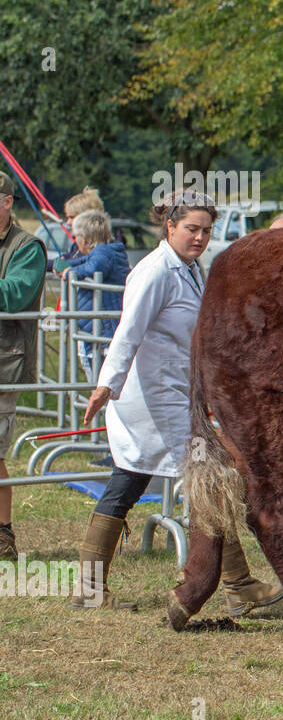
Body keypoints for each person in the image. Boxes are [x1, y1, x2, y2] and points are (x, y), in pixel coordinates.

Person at [75, 188, 283, 614]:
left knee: (131, 480)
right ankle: (237, 585)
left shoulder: (190, 268)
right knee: (210, 476)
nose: (200, 238)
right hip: (152, 396)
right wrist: (105, 385)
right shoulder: (154, 272)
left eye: (207, 230)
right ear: (170, 226)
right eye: (191, 228)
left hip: (175, 392)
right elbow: (128, 332)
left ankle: (89, 588)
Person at [0, 171, 49, 563]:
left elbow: (15, 296)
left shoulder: (27, 247)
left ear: (6, 202)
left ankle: (3, 535)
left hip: (4, 364)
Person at [57, 209, 128, 385]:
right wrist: (64, 265)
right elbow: (83, 262)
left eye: (75, 238)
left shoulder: (103, 254)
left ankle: (103, 413)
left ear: (85, 238)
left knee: (101, 382)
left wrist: (69, 273)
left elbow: (94, 267)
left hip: (103, 328)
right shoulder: (108, 250)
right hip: (100, 326)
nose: (75, 242)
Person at [45, 186, 100, 272]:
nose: (68, 222)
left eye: (72, 217)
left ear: (86, 217)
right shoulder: (76, 246)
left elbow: (81, 263)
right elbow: (66, 259)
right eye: (67, 217)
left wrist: (63, 265)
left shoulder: (97, 247)